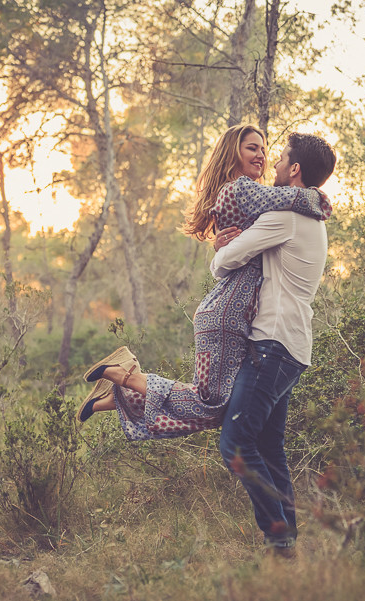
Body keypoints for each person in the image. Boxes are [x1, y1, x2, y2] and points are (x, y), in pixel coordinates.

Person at [77, 125, 332, 443]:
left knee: (218, 409)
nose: (262, 155)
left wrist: (222, 246)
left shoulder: (246, 194)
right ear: (233, 154)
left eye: (265, 150)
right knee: (210, 403)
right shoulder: (242, 189)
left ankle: (120, 397)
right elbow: (291, 198)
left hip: (233, 311)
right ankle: (125, 373)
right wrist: (316, 197)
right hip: (229, 311)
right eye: (252, 148)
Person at [213, 133, 336, 556]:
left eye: (281, 158)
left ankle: (278, 533)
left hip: (273, 344)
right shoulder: (314, 219)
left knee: (234, 444)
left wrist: (222, 245)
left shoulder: (285, 216)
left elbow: (222, 263)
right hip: (295, 347)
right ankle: (287, 546)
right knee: (269, 447)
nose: (275, 165)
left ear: (296, 170)